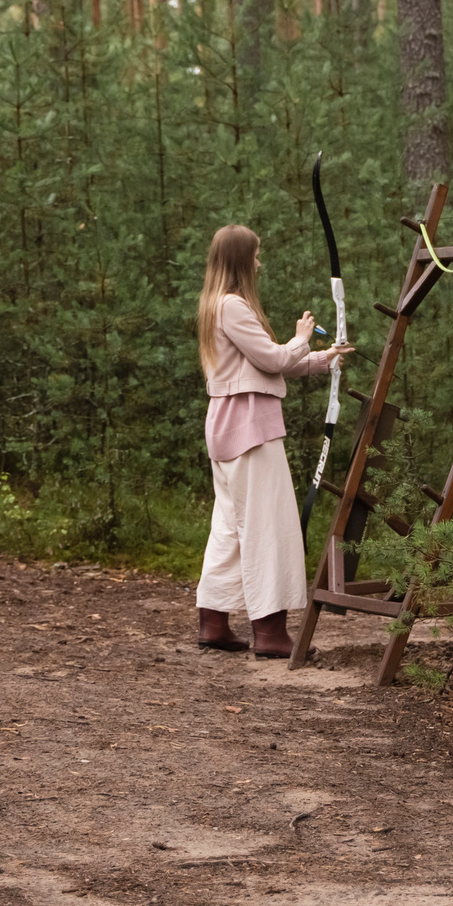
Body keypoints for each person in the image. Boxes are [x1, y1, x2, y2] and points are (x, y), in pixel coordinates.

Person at [196, 224, 349, 658]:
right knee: (269, 526)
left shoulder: (215, 305)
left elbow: (262, 368)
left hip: (229, 428)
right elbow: (272, 357)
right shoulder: (233, 306)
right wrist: (302, 337)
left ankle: (214, 622)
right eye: (256, 255)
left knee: (230, 527)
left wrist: (322, 358)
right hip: (249, 430)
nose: (259, 262)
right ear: (242, 259)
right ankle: (270, 633)